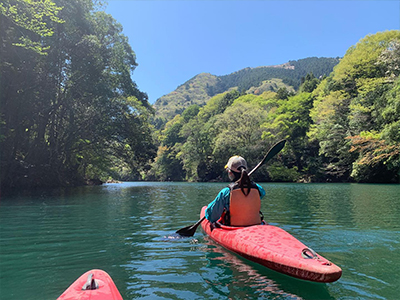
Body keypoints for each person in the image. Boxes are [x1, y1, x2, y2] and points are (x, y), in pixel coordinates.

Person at [205, 155, 266, 226]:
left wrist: (208, 210)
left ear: (230, 173)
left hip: (234, 227)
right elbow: (262, 195)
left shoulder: (226, 192)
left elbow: (212, 216)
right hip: (255, 224)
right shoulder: (257, 188)